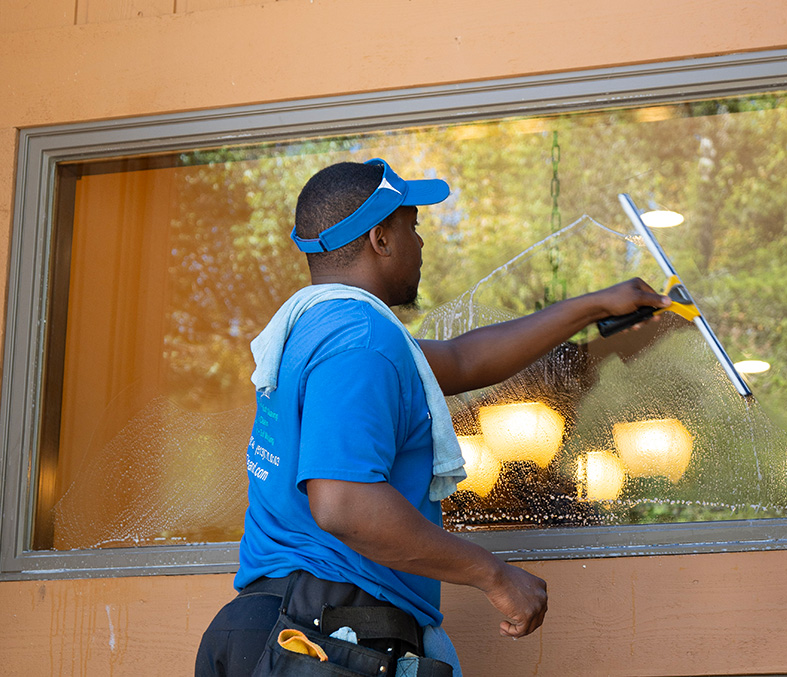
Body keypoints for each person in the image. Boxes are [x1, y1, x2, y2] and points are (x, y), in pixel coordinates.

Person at [195, 158, 671, 677]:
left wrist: (597, 306)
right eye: (414, 228)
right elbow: (344, 504)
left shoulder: (318, 329)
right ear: (381, 239)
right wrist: (493, 575)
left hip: (287, 627)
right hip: (325, 636)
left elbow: (466, 360)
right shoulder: (359, 340)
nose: (421, 244)